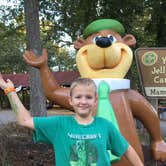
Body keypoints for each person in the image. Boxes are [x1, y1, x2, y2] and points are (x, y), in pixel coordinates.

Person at [0, 74, 143, 166]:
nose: (83, 101)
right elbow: (25, 120)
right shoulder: (59, 125)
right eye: (78, 97)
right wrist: (9, 91)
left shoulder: (105, 126)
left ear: (95, 101)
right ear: (71, 101)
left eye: (88, 97)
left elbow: (127, 150)